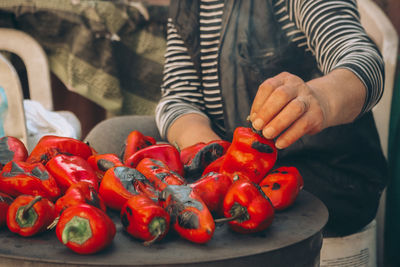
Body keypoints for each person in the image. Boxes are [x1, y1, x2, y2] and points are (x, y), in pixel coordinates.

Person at [85, 0, 388, 237]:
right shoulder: (190, 6)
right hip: (237, 166)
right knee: (110, 139)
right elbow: (179, 97)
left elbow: (362, 59)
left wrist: (319, 98)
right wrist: (215, 158)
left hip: (319, 174)